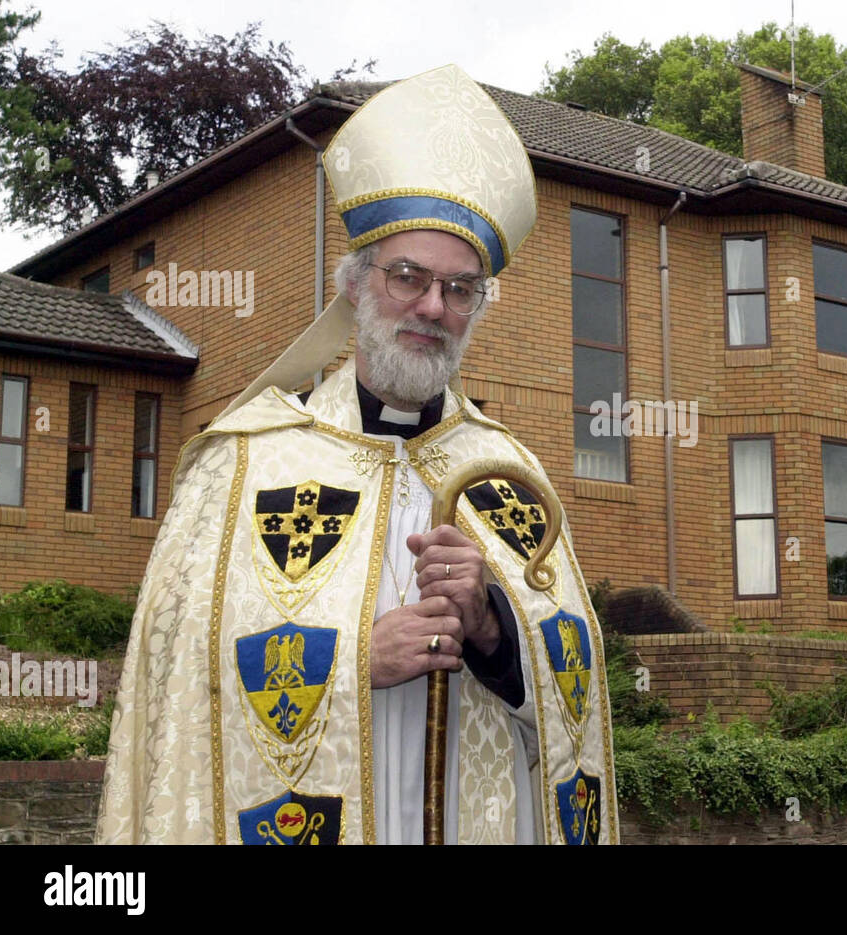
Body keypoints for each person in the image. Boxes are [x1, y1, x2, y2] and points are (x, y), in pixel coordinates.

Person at [97, 64, 617, 845]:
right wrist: (346, 663)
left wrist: (490, 626)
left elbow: (574, 700)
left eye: (460, 288)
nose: (433, 307)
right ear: (355, 283)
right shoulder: (244, 464)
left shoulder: (511, 476)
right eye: (408, 275)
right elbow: (177, 688)